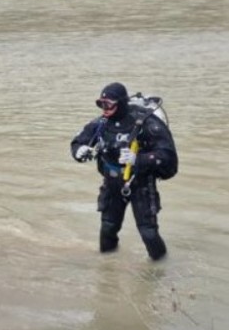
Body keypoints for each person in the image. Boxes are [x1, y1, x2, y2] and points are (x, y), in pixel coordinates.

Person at [70, 82, 178, 260]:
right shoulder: (101, 124)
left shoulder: (147, 123)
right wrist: (79, 151)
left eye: (108, 104)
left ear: (121, 103)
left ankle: (161, 270)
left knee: (148, 233)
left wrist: (139, 159)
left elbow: (169, 157)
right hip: (112, 182)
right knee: (107, 229)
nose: (104, 108)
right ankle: (107, 271)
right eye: (100, 104)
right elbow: (77, 142)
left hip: (141, 182)